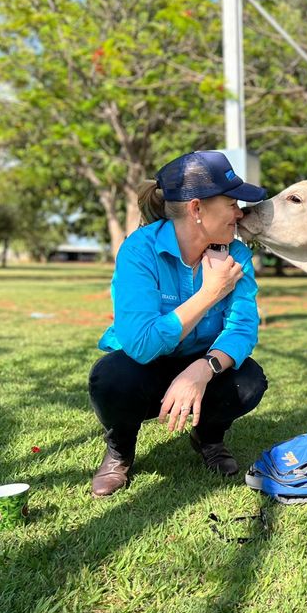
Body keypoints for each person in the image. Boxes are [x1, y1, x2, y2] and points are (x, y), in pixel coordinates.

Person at [88, 150, 268, 497]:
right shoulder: (139, 250)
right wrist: (211, 292)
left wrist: (203, 369)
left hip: (203, 361)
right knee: (111, 377)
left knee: (248, 381)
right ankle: (119, 452)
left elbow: (243, 328)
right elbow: (140, 344)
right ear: (196, 209)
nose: (240, 212)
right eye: (232, 202)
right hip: (145, 364)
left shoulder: (237, 253)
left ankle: (208, 439)